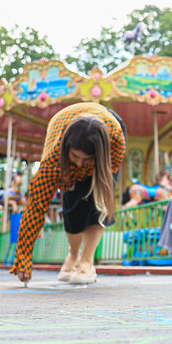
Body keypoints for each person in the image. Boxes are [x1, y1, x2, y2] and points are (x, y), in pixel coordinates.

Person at [13, 103, 125, 285]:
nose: (80, 164)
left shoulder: (116, 140)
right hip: (63, 143)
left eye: (87, 159)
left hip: (106, 140)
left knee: (97, 202)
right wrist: (24, 256)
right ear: (67, 150)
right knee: (72, 207)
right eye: (76, 157)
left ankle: (87, 262)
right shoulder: (53, 160)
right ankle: (73, 256)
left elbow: (103, 188)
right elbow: (35, 207)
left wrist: (92, 163)